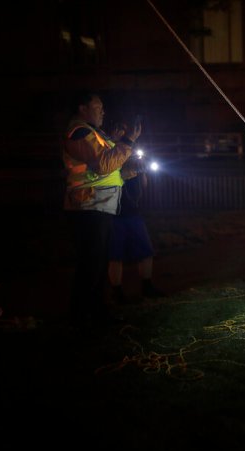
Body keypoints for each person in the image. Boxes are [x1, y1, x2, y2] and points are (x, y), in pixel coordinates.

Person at [62, 91, 141, 326]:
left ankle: (96, 312)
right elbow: (104, 165)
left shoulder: (94, 134)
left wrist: (131, 171)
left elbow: (110, 169)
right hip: (88, 206)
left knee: (97, 265)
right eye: (97, 107)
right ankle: (81, 317)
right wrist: (128, 142)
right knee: (91, 266)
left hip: (99, 206)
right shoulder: (80, 133)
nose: (103, 111)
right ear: (82, 108)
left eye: (102, 107)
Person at [108, 156, 166, 303]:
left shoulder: (136, 168)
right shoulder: (112, 162)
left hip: (132, 213)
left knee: (145, 251)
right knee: (115, 255)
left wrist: (141, 171)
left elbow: (143, 186)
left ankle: (146, 287)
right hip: (114, 214)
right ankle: (117, 293)